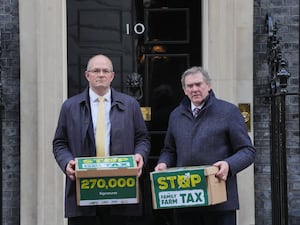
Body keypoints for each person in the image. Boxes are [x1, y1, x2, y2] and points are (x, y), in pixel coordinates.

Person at [53, 54, 150, 225]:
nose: (101, 74)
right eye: (96, 70)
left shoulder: (130, 105)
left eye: (105, 71)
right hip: (84, 189)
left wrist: (140, 155)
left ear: (112, 76)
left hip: (121, 190)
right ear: (87, 75)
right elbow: (60, 143)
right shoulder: (70, 106)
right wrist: (66, 162)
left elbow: (142, 138)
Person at [154, 66, 256, 225]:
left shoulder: (229, 112)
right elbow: (170, 149)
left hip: (220, 201)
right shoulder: (176, 115)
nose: (194, 89)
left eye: (198, 84)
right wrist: (163, 163)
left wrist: (228, 165)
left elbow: (247, 151)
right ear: (184, 90)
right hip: (186, 200)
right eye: (190, 86)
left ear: (208, 86)